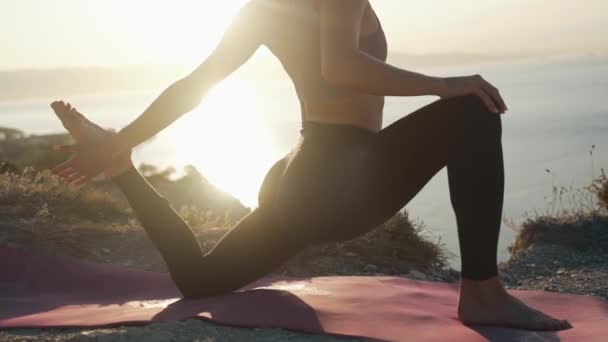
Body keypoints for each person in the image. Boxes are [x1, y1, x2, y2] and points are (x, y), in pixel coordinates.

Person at [50, 0, 571, 331]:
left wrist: (122, 143)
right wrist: (444, 85)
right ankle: (482, 294)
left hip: (297, 179)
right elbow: (341, 67)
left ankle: (122, 170)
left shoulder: (259, 8)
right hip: (336, 178)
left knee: (199, 279)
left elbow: (194, 86)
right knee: (471, 111)